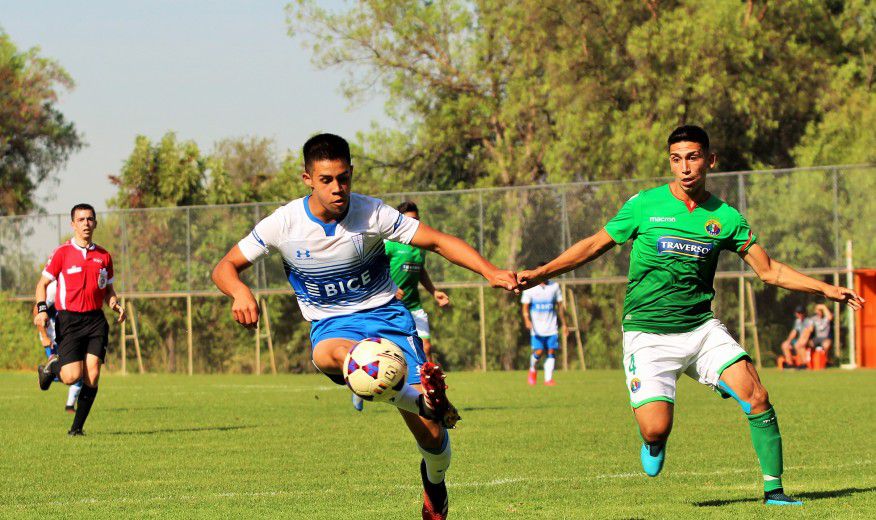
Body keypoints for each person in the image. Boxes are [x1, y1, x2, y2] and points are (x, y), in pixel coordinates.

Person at [516, 125, 864, 506]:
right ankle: (653, 442)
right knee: (655, 428)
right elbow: (593, 245)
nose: (684, 167)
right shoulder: (644, 205)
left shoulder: (726, 218)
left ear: (710, 161)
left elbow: (770, 271)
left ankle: (774, 491)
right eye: (676, 159)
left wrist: (827, 289)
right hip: (647, 334)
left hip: (700, 329)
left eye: (693, 157)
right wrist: (540, 273)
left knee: (758, 395)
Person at [212, 133, 516, 520]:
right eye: (326, 180)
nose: (337, 188)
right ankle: (423, 399)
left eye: (343, 178)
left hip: (388, 318)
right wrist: (239, 292)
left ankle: (435, 490)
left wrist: (489, 271)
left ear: (351, 173)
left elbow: (437, 241)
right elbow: (225, 267)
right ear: (307, 179)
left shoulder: (373, 213)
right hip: (332, 326)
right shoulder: (283, 223)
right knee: (331, 356)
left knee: (435, 439)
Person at [35, 203, 126, 436]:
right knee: (71, 377)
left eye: (90, 219)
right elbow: (42, 284)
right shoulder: (62, 253)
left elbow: (108, 290)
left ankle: (76, 429)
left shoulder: (104, 256)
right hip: (69, 321)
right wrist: (42, 309)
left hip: (96, 320)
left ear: (95, 223)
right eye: (81, 219)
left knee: (92, 374)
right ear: (73, 224)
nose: (86, 223)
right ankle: (53, 367)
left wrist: (115, 304)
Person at [352, 201, 452, 412]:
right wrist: (391, 286)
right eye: (410, 219)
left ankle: (432, 394)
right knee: (376, 353)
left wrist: (434, 292)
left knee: (426, 348)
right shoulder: (388, 244)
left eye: (417, 219)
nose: (414, 223)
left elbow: (421, 271)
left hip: (414, 305)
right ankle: (359, 386)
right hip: (388, 306)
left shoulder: (420, 247)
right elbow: (372, 267)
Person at [33, 279, 83, 412]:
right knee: (67, 372)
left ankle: (69, 405)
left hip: (68, 336)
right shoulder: (53, 288)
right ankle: (46, 374)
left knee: (78, 373)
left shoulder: (78, 284)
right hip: (51, 338)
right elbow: (37, 309)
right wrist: (44, 336)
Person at [520, 263, 567, 386]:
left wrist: (565, 324)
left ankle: (548, 379)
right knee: (539, 351)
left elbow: (560, 307)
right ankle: (532, 369)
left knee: (551, 351)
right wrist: (527, 320)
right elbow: (525, 307)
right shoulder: (530, 288)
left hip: (552, 327)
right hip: (537, 328)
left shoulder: (555, 287)